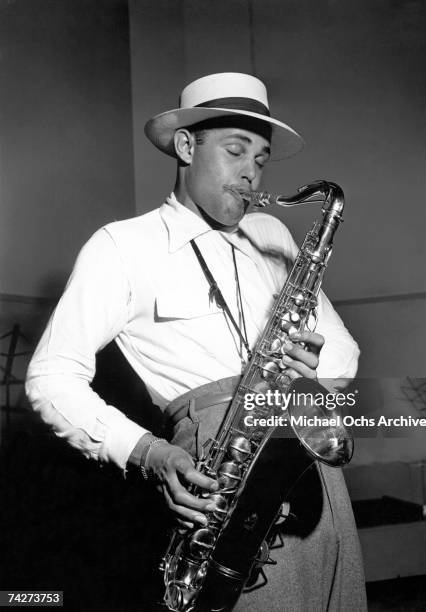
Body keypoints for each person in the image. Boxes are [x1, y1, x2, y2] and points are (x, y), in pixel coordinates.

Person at [26, 72, 366, 611]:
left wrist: (316, 370)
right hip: (222, 480)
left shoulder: (274, 236)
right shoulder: (123, 246)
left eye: (261, 158)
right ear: (187, 145)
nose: (251, 173)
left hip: (307, 463)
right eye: (236, 150)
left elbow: (345, 351)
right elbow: (50, 378)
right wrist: (150, 452)